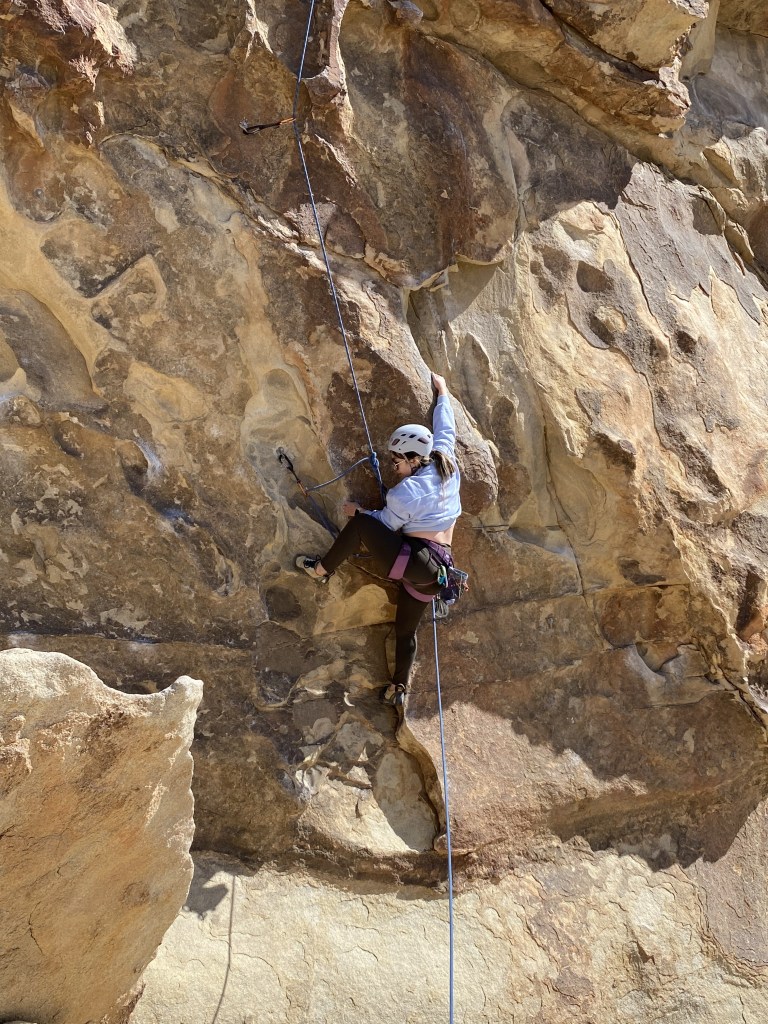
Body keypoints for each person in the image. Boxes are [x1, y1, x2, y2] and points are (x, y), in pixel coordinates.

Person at [296, 372, 462, 706]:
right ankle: (398, 687)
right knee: (405, 631)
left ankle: (321, 570)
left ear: (415, 460)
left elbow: (385, 525)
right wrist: (442, 391)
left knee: (359, 525)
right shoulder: (447, 462)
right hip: (439, 572)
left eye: (397, 460)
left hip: (415, 561)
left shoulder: (409, 491)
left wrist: (359, 511)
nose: (392, 465)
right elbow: (446, 430)